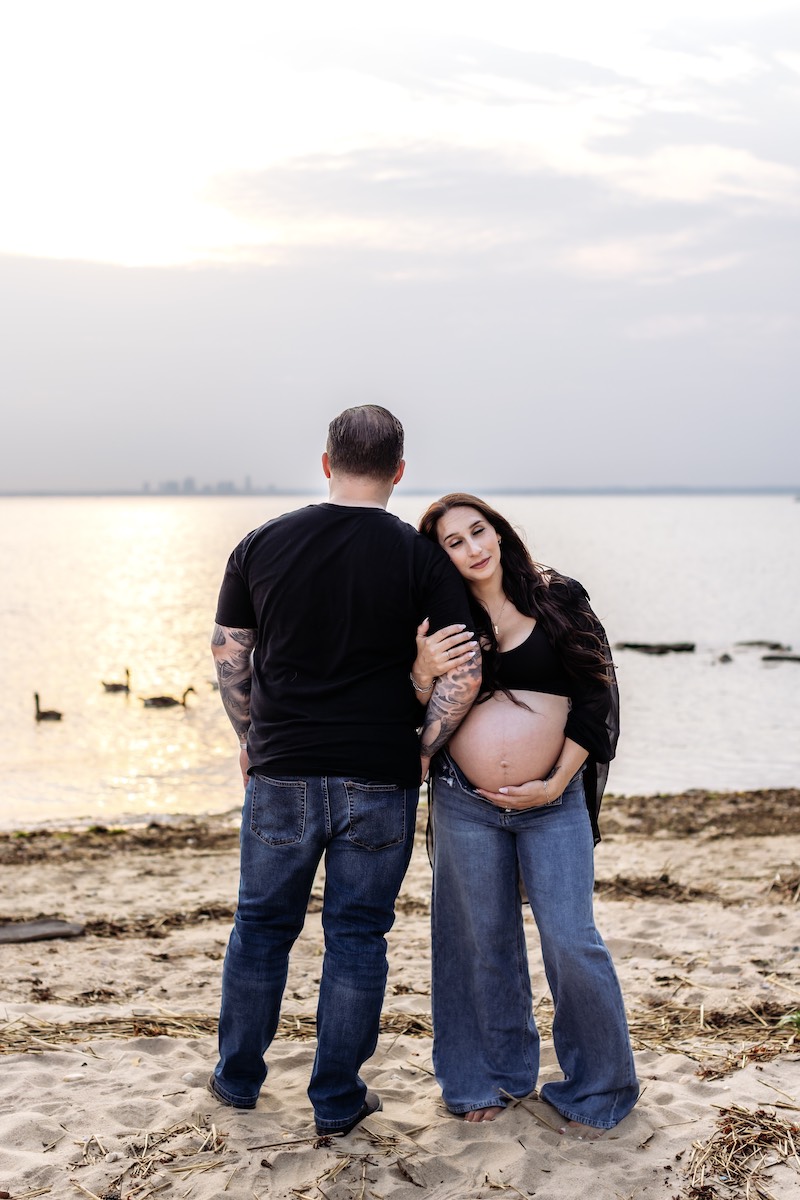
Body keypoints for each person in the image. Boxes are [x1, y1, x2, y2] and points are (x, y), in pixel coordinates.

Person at [208, 408, 482, 1136]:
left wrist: (250, 735)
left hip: (282, 770)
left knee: (261, 929)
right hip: (379, 775)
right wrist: (424, 742)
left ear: (326, 462)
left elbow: (229, 655)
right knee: (357, 937)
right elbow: (464, 668)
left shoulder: (261, 544)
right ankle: (336, 1100)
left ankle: (237, 1082)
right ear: (399, 470)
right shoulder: (423, 559)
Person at [412, 493, 639, 1135]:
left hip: (554, 800)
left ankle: (600, 1084)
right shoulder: (439, 620)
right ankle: (489, 1076)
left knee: (571, 938)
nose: (472, 549)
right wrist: (421, 668)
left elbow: (598, 693)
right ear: (441, 558)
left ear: (499, 531)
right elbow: (415, 708)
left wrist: (555, 782)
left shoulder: (558, 595)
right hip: (466, 802)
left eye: (477, 532)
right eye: (453, 543)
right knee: (479, 940)